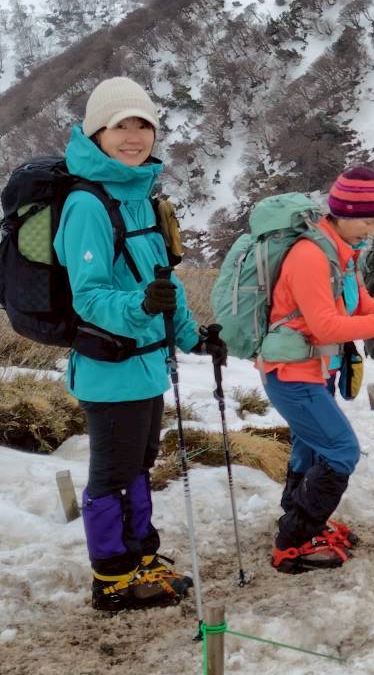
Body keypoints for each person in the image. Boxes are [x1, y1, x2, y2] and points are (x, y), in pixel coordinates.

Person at [54, 77, 227, 611]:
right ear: (96, 133)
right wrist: (141, 307)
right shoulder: (87, 204)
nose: (133, 137)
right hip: (109, 370)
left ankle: (140, 555)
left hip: (148, 366)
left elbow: (165, 284)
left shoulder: (142, 198)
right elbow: (88, 297)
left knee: (137, 464)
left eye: (143, 125)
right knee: (112, 473)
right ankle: (111, 576)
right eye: (120, 126)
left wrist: (193, 337)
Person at [263, 167, 374, 573]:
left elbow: (359, 301)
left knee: (311, 447)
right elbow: (327, 326)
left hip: (317, 368)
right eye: (367, 219)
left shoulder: (342, 252)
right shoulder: (311, 256)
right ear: (343, 213)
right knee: (341, 450)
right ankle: (294, 539)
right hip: (293, 373)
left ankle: (300, 519)